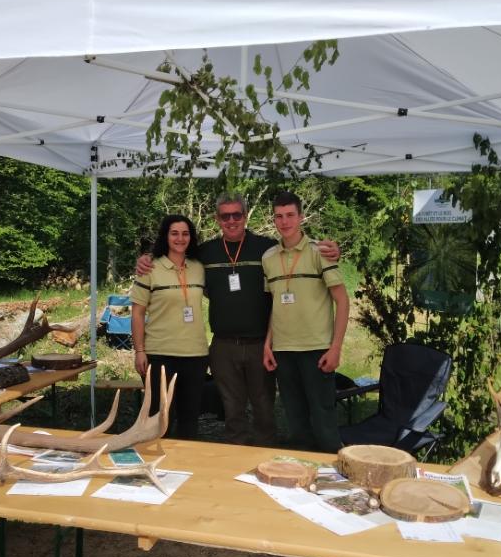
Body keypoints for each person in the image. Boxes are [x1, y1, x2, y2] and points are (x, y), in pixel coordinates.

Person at [136, 195, 340, 445]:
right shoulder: (205, 253)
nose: (231, 220)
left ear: (245, 216)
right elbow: (175, 252)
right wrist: (146, 258)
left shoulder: (266, 248)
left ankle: (266, 461)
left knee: (265, 411)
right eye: (225, 216)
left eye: (237, 215)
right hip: (223, 345)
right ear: (217, 219)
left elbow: (293, 244)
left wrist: (329, 247)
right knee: (232, 413)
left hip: (260, 345)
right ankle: (235, 468)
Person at [262, 192, 349, 452]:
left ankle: (333, 480)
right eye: (279, 216)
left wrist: (335, 348)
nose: (284, 222)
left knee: (324, 421)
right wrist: (268, 344)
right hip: (283, 351)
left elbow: (342, 301)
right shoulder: (268, 258)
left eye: (290, 215)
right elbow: (274, 305)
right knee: (295, 420)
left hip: (316, 349)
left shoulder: (319, 252)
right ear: (274, 220)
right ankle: (303, 476)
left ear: (301, 217)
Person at [130, 214, 208, 439]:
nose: (180, 238)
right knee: (160, 417)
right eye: (174, 233)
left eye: (185, 233)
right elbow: (137, 313)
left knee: (190, 417)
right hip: (160, 355)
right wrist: (139, 351)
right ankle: (157, 466)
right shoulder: (150, 268)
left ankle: (184, 467)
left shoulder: (199, 267)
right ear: (165, 236)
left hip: (195, 354)